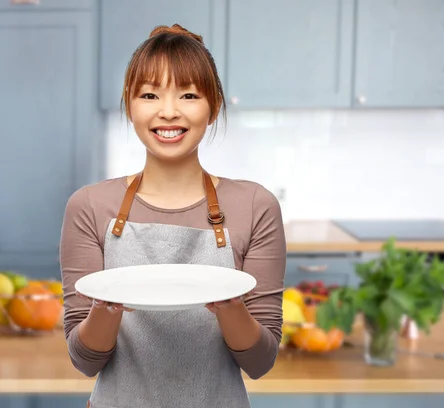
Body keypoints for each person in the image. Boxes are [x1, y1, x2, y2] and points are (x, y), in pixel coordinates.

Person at [59, 23, 286, 408]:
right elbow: (85, 360)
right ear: (130, 105)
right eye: (149, 94)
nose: (168, 112)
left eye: (188, 95)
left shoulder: (255, 206)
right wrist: (106, 305)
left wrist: (228, 303)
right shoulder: (89, 206)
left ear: (212, 107)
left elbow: (260, 361)